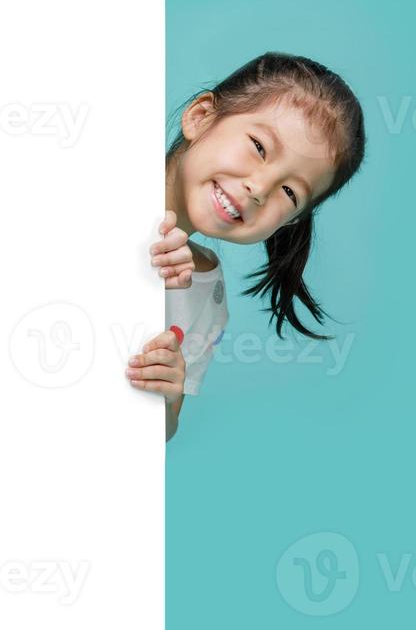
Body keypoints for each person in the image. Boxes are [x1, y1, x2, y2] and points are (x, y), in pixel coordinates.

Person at [126, 52, 366, 440]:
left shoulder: (204, 295)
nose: (259, 188)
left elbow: (163, 431)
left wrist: (166, 397)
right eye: (259, 147)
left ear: (290, 221)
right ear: (201, 117)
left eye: (289, 191)